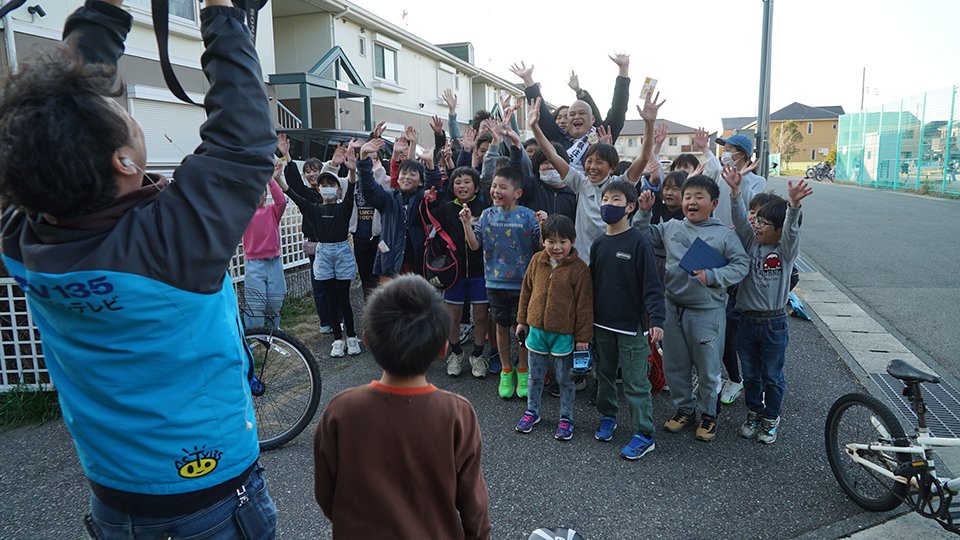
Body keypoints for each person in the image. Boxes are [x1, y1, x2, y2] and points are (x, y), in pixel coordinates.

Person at [0, 0, 277, 535]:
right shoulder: (168, 246)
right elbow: (243, 143)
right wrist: (222, 13)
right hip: (210, 500)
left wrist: (103, 11)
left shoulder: (23, 242)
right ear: (124, 162)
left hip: (116, 498)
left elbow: (57, 115)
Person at [313, 275, 491, 539]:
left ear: (367, 339)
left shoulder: (341, 411)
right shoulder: (457, 413)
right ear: (443, 348)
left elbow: (327, 494)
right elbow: (474, 507)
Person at [634, 176, 749, 442]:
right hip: (672, 307)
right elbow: (642, 236)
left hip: (707, 311)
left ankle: (708, 414)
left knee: (708, 367)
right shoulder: (671, 226)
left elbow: (741, 265)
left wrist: (713, 276)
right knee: (675, 363)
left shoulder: (724, 235)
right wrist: (644, 211)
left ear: (714, 203)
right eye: (688, 197)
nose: (691, 202)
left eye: (699, 196)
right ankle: (684, 409)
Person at [722, 167, 812, 444]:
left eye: (764, 223)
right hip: (747, 320)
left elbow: (792, 232)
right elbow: (739, 217)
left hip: (774, 323)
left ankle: (771, 419)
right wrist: (735, 192)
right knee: (750, 374)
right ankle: (753, 414)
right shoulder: (750, 243)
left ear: (779, 230)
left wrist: (793, 206)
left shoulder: (784, 252)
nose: (757, 226)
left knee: (772, 375)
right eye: (757, 220)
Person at [528, 93, 663, 263]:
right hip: (582, 262)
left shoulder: (620, 184)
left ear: (612, 167)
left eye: (599, 162)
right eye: (589, 161)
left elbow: (643, 158)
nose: (592, 167)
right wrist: (534, 127)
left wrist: (649, 124)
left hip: (611, 262)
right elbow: (553, 156)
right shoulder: (581, 183)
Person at [589, 181, 666, 459]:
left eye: (616, 199)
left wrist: (657, 319)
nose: (608, 204)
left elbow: (652, 285)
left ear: (630, 207)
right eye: (605, 199)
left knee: (636, 382)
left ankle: (644, 434)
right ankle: (608, 416)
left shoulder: (639, 242)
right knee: (605, 376)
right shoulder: (599, 243)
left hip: (633, 327)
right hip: (602, 325)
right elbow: (592, 285)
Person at [461, 167, 541, 399]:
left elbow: (540, 245)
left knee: (523, 328)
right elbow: (474, 245)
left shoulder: (527, 216)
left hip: (524, 285)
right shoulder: (486, 215)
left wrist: (543, 224)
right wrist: (467, 224)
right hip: (494, 283)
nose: (496, 191)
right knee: (501, 326)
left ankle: (523, 369)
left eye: (502, 187)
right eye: (494, 186)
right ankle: (507, 370)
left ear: (517, 192)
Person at [514, 215, 593, 440]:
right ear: (543, 241)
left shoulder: (580, 269)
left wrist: (583, 337)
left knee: (565, 379)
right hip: (537, 331)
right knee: (535, 376)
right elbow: (526, 290)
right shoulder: (537, 260)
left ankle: (566, 417)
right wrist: (522, 320)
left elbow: (584, 306)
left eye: (563, 241)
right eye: (551, 241)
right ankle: (532, 411)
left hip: (564, 334)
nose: (556, 247)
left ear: (573, 241)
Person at [278, 146, 361, 358]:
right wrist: (277, 178)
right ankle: (336, 340)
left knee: (344, 298)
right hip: (323, 254)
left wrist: (351, 171)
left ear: (337, 188)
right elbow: (292, 193)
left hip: (342, 252)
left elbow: (351, 188)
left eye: (331, 184)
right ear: (319, 188)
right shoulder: (313, 208)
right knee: (331, 299)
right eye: (323, 185)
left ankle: (351, 336)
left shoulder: (344, 207)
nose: (326, 187)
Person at [426, 166, 492, 378]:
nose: (462, 186)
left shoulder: (485, 208)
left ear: (475, 185)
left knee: (481, 315)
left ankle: (478, 354)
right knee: (453, 316)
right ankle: (455, 353)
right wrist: (430, 198)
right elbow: (426, 218)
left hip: (480, 271)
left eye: (466, 182)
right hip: (453, 273)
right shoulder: (445, 209)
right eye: (457, 182)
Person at [357, 130, 442, 281]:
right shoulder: (388, 197)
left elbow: (434, 190)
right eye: (404, 173)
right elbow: (369, 188)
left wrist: (430, 164)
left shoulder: (422, 199)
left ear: (420, 181)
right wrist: (363, 158)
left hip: (415, 263)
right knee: (390, 303)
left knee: (414, 303)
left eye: (412, 174)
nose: (407, 177)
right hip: (389, 263)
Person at [241, 172, 287, 330]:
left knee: (276, 298)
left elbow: (281, 200)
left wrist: (270, 179)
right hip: (254, 263)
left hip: (274, 261)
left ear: (266, 194)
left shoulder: (273, 210)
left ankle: (275, 328)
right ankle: (255, 332)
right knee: (255, 300)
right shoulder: (244, 214)